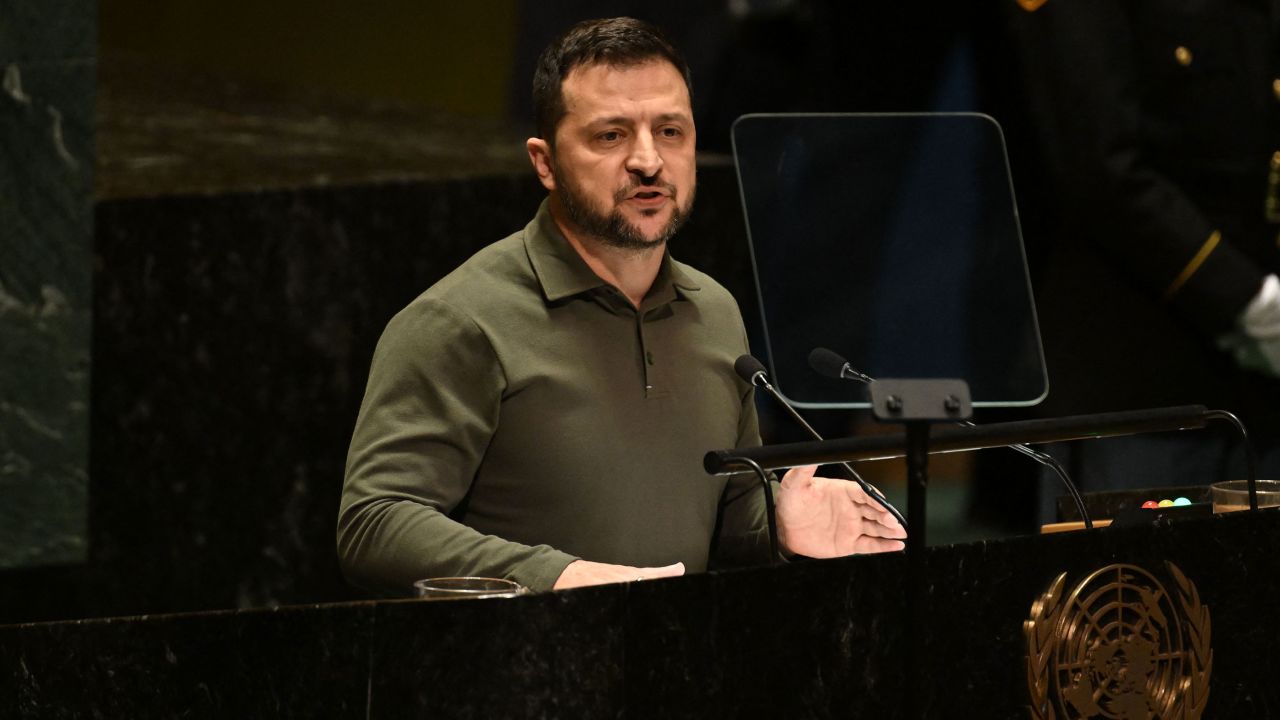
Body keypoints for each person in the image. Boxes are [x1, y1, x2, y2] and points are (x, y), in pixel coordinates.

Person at [337, 17, 905, 596]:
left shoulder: (714, 311)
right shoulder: (462, 321)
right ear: (545, 162)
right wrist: (555, 577)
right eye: (611, 136)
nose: (648, 161)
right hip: (522, 672)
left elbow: (729, 528)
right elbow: (376, 522)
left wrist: (778, 528)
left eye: (670, 132)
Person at [991, 0, 1280, 514]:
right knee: (1127, 590)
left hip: (1266, 392)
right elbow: (1100, 169)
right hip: (1141, 381)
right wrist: (1249, 302)